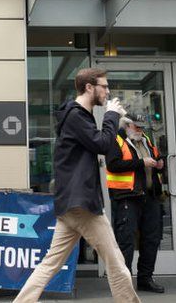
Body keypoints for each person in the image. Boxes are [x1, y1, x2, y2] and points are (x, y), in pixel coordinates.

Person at [15, 68, 140, 303]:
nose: (108, 90)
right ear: (90, 87)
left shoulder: (76, 116)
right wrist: (111, 115)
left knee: (49, 264)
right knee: (116, 263)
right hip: (82, 204)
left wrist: (112, 119)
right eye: (104, 86)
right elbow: (102, 143)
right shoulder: (76, 116)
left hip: (71, 204)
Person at [105, 115, 166, 293]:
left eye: (142, 127)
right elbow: (113, 164)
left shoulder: (145, 139)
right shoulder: (116, 139)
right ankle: (123, 284)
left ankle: (145, 279)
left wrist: (161, 163)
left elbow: (156, 157)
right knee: (126, 240)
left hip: (150, 196)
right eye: (137, 127)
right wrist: (141, 162)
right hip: (127, 197)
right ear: (127, 125)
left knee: (152, 239)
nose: (140, 130)